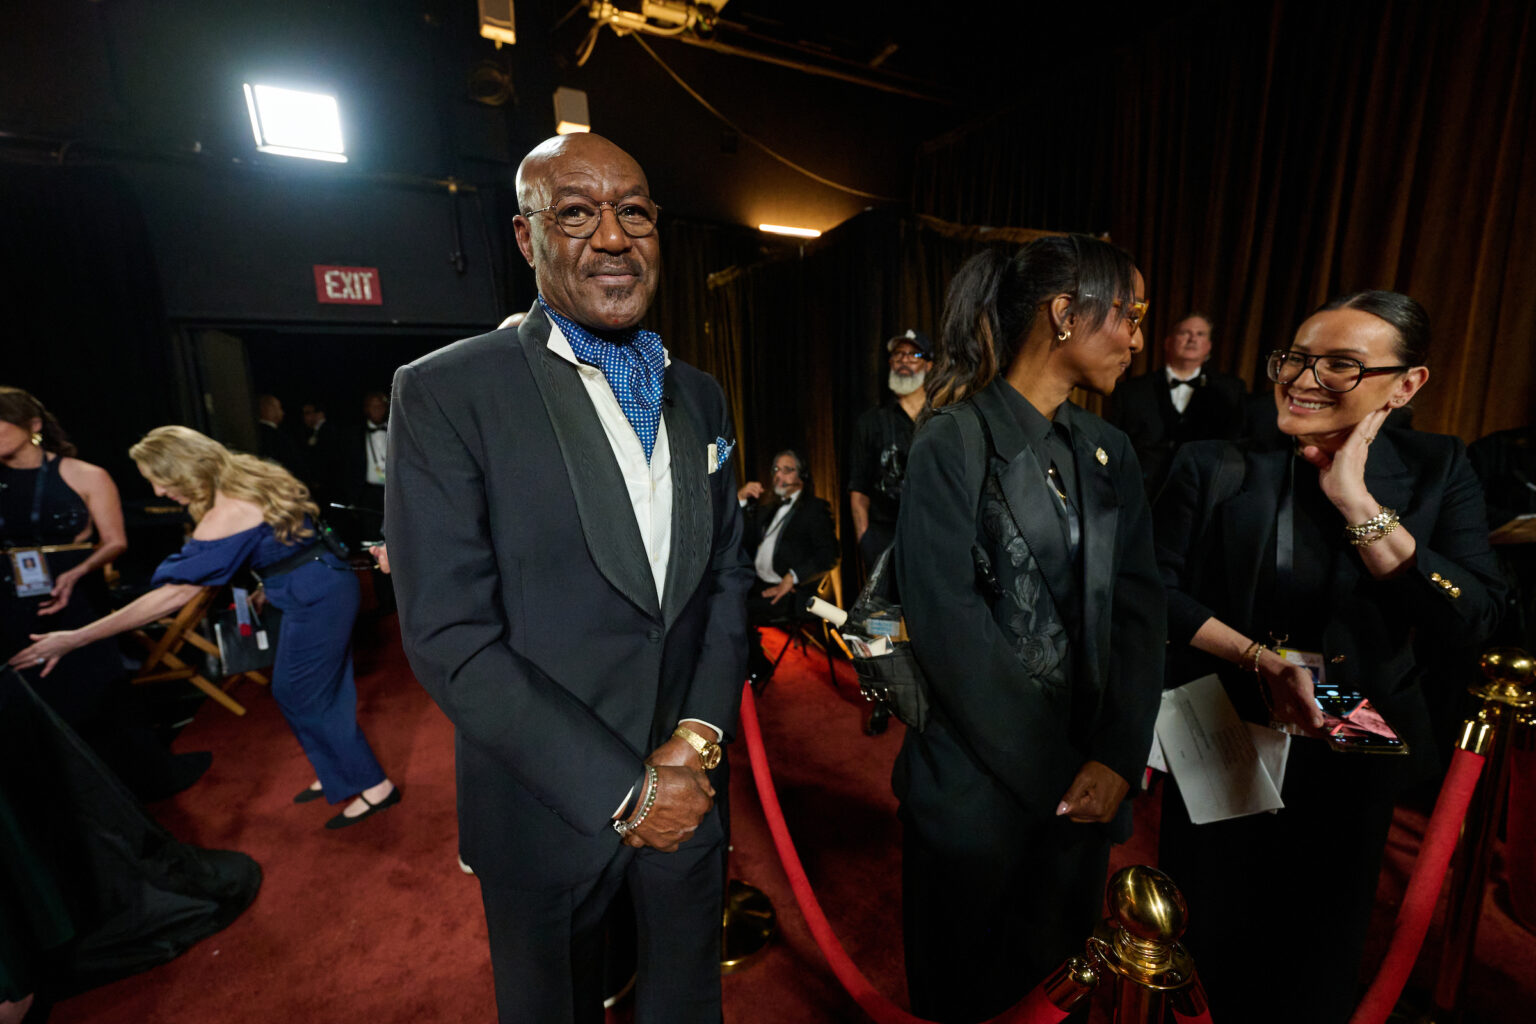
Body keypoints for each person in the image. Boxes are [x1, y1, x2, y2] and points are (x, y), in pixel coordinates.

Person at [385, 132, 752, 1024]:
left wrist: (697, 739)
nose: (614, 237)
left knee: (686, 1004)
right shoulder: (444, 393)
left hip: (691, 786)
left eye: (634, 213)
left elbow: (725, 579)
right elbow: (450, 637)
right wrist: (628, 792)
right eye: (577, 213)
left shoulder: (701, 394)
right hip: (544, 808)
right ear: (526, 236)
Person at [1152, 291, 1504, 1023]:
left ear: (1406, 385)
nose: (1303, 379)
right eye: (1296, 358)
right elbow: (1155, 593)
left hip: (1356, 719)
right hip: (1226, 710)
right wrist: (1257, 658)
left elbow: (1472, 618)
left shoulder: (1439, 467)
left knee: (1323, 934)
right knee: (1205, 926)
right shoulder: (1213, 460)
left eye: (1340, 365)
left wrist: (1356, 502)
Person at [892, 235, 1165, 1023]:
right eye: (1129, 314)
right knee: (968, 996)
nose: (1136, 339)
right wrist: (1065, 775)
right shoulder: (952, 438)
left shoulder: (1110, 450)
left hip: (1087, 795)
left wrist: (1117, 758)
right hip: (979, 794)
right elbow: (948, 628)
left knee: (1061, 993)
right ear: (1065, 313)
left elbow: (1140, 612)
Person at [10, 426, 399, 829]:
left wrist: (76, 637)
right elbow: (291, 534)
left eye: (160, 480)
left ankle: (375, 786)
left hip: (317, 597)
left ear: (185, 469)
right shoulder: (247, 472)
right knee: (296, 691)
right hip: (317, 584)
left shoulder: (227, 511)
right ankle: (338, 771)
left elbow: (174, 595)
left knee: (308, 695)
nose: (159, 491)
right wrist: (271, 580)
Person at [1105, 312, 1244, 497]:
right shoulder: (1131, 390)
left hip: (1203, 495)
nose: (1192, 338)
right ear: (1168, 342)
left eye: (1200, 334)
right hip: (1139, 493)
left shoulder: (1230, 390)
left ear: (1209, 346)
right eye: (1185, 332)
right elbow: (1113, 444)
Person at [738, 449, 839, 684]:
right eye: (776, 469)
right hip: (758, 583)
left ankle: (759, 666)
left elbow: (830, 556)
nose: (778, 475)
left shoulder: (814, 509)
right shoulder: (769, 508)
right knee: (720, 600)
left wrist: (792, 577)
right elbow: (743, 537)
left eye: (787, 470)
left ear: (802, 476)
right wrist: (741, 499)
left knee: (736, 610)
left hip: (790, 592)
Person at [848, 329, 932, 569]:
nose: (904, 360)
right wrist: (866, 540)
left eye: (913, 354)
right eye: (898, 354)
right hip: (884, 539)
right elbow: (858, 489)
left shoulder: (941, 419)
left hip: (934, 536)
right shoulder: (870, 422)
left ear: (928, 365)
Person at [255, 394, 299, 473]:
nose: (282, 413)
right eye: (279, 408)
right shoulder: (279, 438)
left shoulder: (254, 433)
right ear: (270, 410)